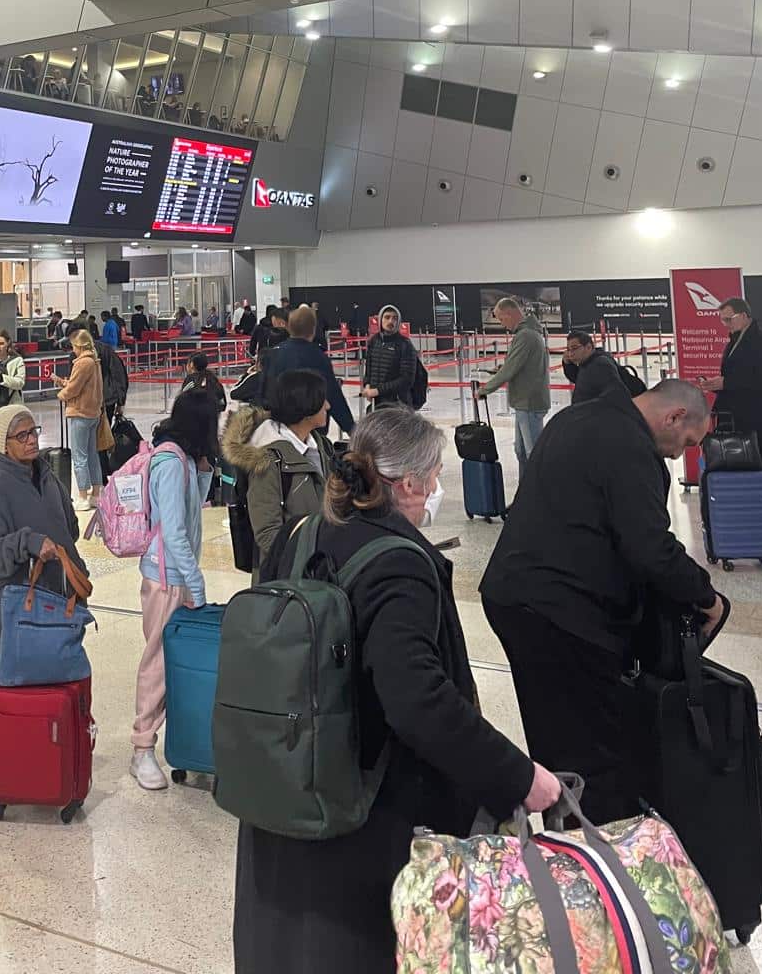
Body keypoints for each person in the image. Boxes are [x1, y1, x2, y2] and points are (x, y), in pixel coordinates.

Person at [234, 406, 558, 974]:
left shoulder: (301, 532)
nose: (435, 489)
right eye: (433, 477)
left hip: (284, 789)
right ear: (408, 483)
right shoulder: (399, 564)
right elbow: (417, 700)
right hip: (363, 816)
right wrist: (519, 777)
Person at [481, 378, 724, 823]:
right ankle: (593, 858)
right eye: (685, 442)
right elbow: (649, 547)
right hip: (560, 611)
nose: (677, 454)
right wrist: (707, 596)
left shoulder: (574, 418)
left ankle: (568, 830)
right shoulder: (629, 445)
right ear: (674, 416)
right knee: (590, 753)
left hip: (513, 596)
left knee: (557, 736)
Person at [0, 403, 88, 790]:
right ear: (3, 444)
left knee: (44, 685)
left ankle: (39, 750)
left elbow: (66, 526)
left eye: (33, 431)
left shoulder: (47, 477)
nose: (32, 439)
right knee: (3, 687)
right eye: (21, 435)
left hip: (52, 606)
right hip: (11, 617)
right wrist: (27, 543)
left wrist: (77, 567)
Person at [130, 390, 216, 791]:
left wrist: (204, 470)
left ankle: (164, 743)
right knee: (158, 664)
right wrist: (194, 585)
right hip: (166, 578)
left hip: (175, 575)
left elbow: (191, 511)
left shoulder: (183, 461)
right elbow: (175, 533)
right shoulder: (169, 463)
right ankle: (141, 749)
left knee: (172, 664)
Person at [221, 369, 332, 575]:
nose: (328, 405)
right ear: (306, 407)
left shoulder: (322, 446)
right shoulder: (268, 461)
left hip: (321, 571)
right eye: (322, 399)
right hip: (288, 579)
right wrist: (310, 561)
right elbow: (267, 534)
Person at [699, 295, 762, 475]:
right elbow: (737, 378)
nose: (725, 324)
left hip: (759, 422)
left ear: (744, 316)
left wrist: (727, 382)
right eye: (723, 320)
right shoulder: (734, 342)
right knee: (740, 475)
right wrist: (717, 385)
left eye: (729, 319)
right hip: (735, 421)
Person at [476, 297, 550, 476]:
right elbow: (518, 365)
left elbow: (510, 370)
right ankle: (524, 494)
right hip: (523, 402)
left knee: (532, 454)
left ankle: (536, 497)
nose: (502, 324)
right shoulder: (528, 333)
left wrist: (484, 389)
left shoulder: (525, 335)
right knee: (521, 451)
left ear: (509, 314)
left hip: (530, 403)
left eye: (502, 319)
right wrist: (503, 367)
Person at [264, 305, 355, 439]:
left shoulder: (274, 354)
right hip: (311, 427)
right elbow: (333, 395)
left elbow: (265, 391)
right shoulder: (317, 356)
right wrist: (350, 428)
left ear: (289, 327)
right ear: (313, 329)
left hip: (280, 426)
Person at [55, 328, 104, 508]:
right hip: (93, 413)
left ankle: (82, 496)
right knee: (92, 455)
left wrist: (62, 393)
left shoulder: (82, 363)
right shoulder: (94, 361)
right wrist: (64, 382)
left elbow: (74, 388)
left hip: (80, 412)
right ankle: (96, 493)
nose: (72, 350)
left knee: (79, 456)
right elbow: (84, 385)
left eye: (74, 346)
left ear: (79, 345)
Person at [362, 305, 418, 409]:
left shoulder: (405, 344)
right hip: (377, 403)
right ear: (380, 320)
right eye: (387, 317)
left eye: (394, 318)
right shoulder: (373, 341)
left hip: (399, 404)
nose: (390, 321)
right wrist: (367, 385)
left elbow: (406, 379)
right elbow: (369, 370)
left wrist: (377, 391)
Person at [562, 330, 625, 404]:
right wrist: (568, 364)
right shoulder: (587, 361)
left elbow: (611, 397)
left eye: (574, 348)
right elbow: (578, 378)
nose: (570, 354)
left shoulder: (601, 365)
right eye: (568, 350)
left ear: (588, 347)